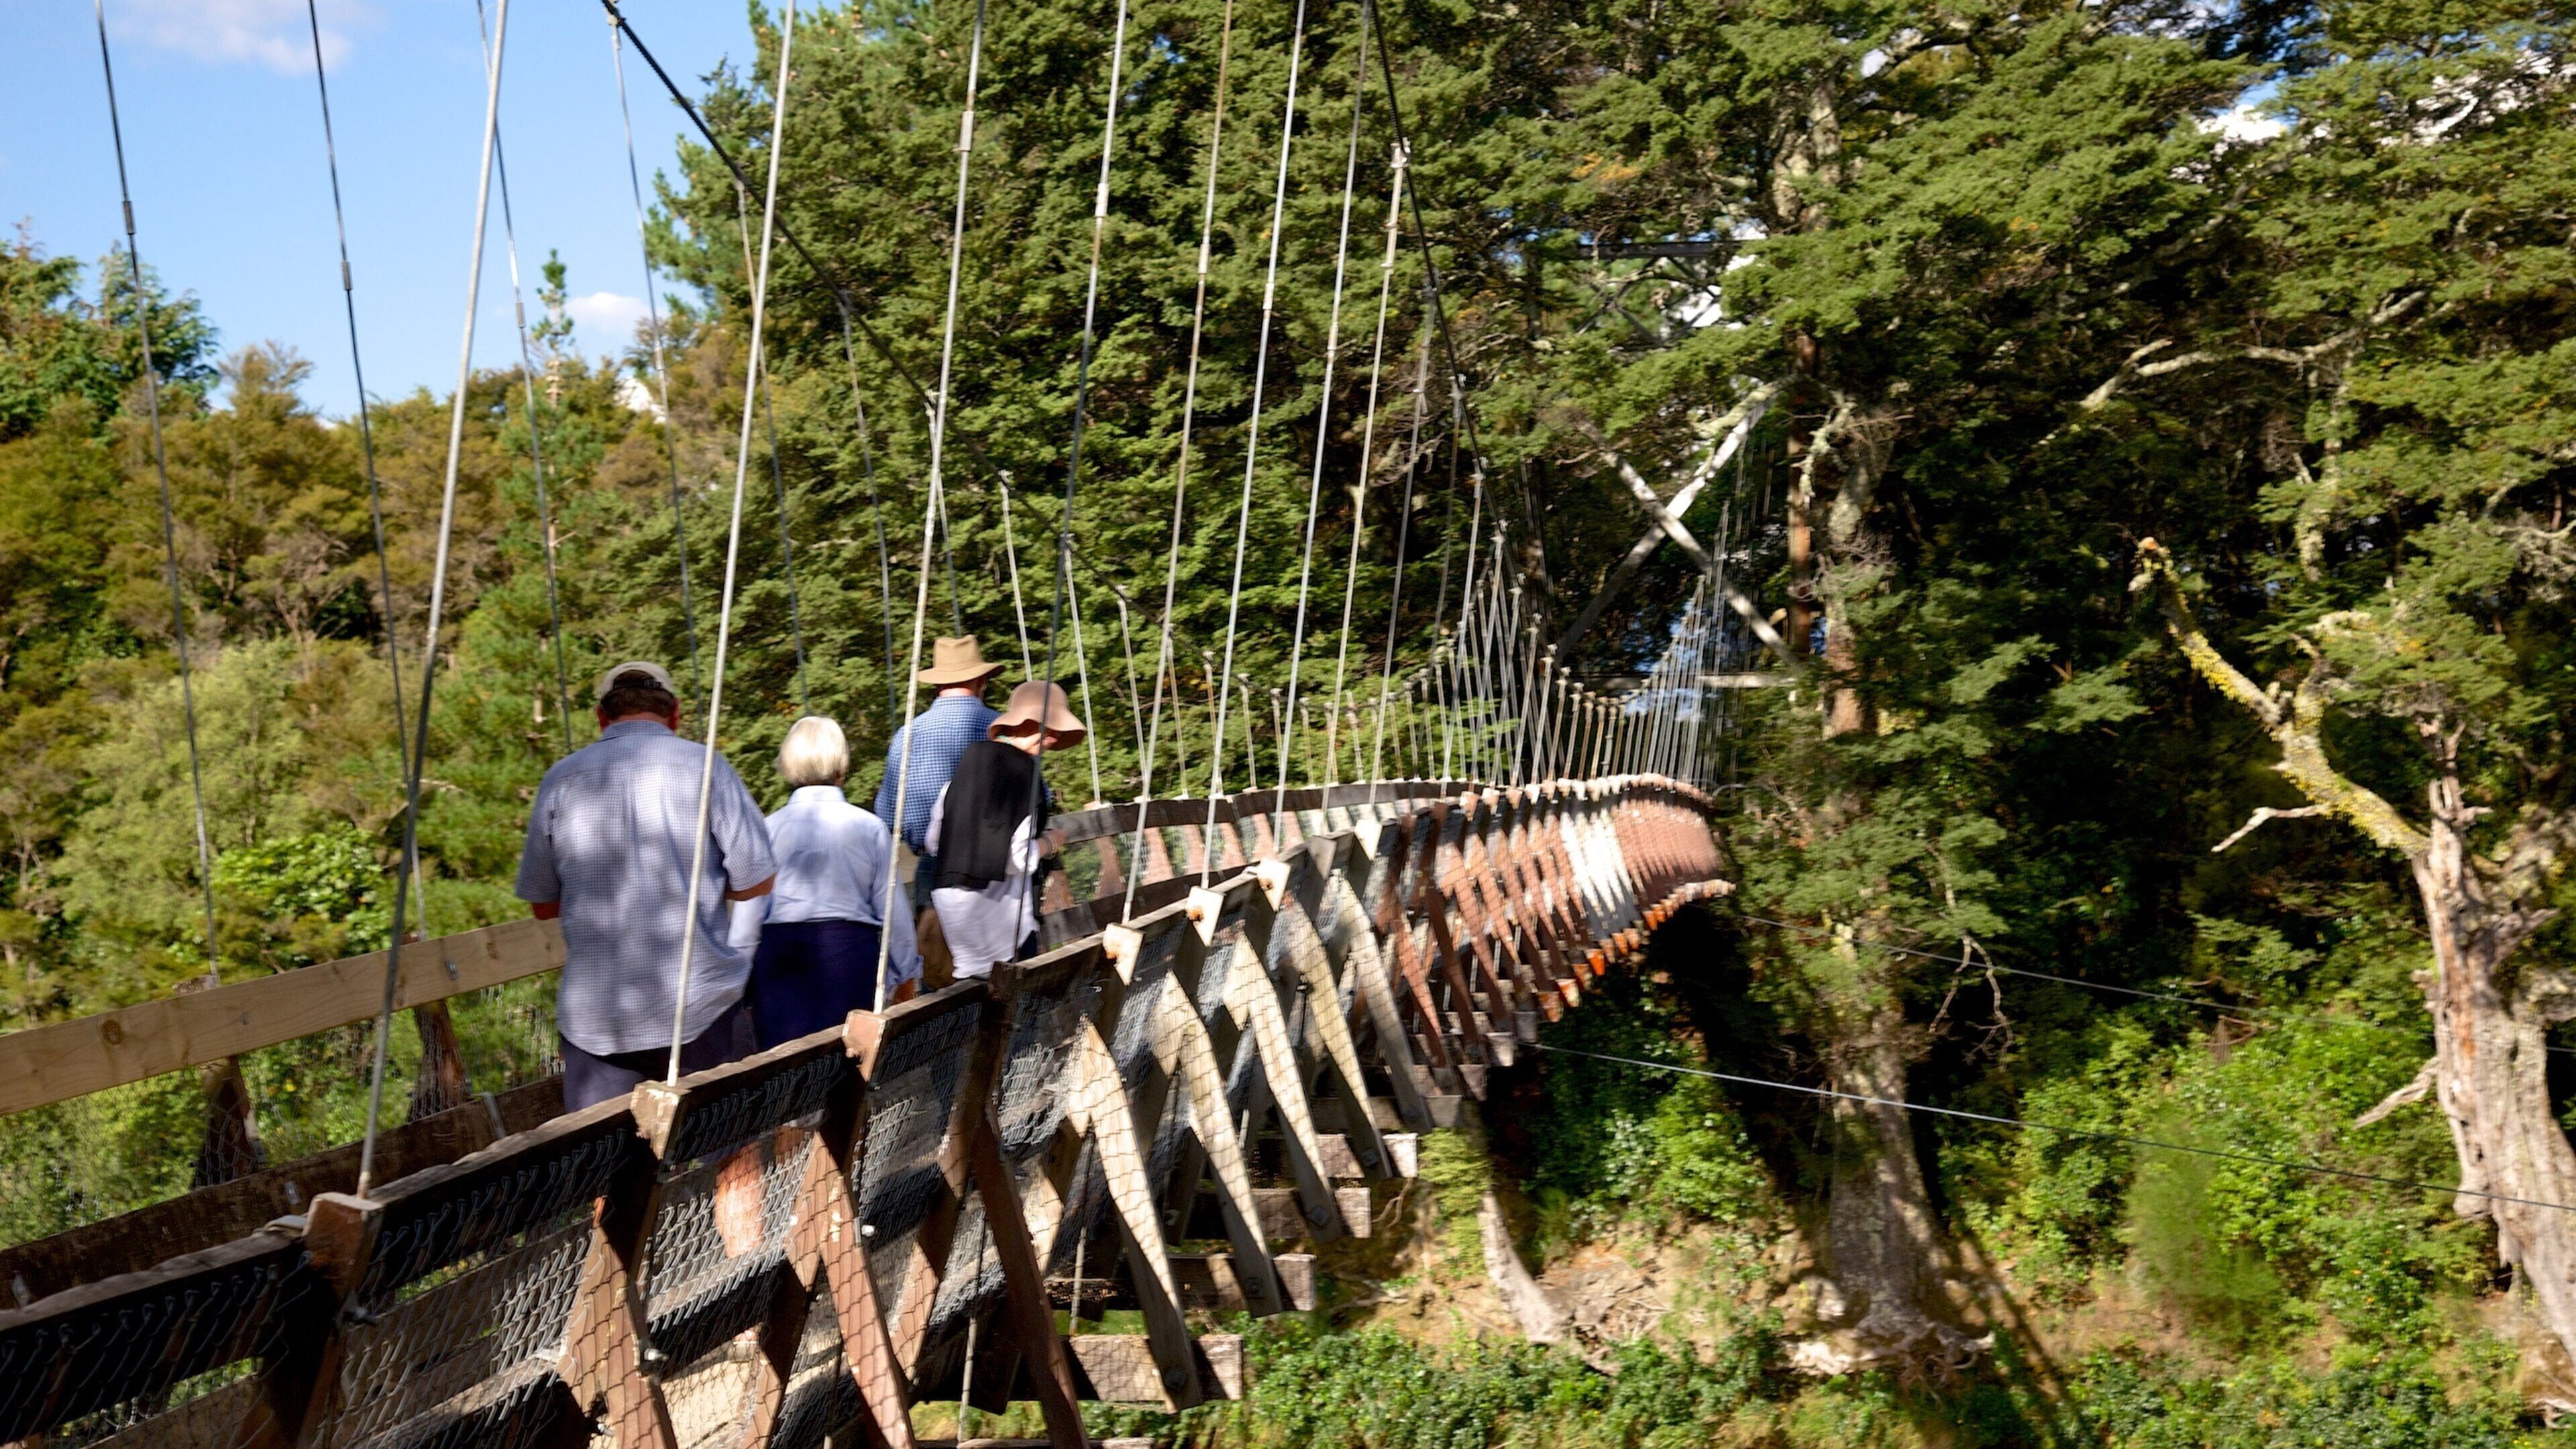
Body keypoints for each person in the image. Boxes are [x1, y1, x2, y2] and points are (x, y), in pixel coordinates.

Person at [517, 661, 776, 1112]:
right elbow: (758, 880)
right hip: (701, 1004)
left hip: (596, 1019)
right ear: (674, 713)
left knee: (598, 1166)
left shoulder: (560, 779)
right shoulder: (707, 766)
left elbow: (542, 905)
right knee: (735, 1150)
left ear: (602, 717)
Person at [730, 716, 922, 1049]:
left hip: (780, 962)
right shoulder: (869, 828)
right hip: (849, 957)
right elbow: (894, 913)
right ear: (840, 763)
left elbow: (747, 923)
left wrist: (736, 985)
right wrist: (906, 974)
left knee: (782, 1067)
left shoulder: (767, 829)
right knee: (847, 1064)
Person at [926, 680, 1085, 979]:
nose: (1054, 739)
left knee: (968, 996)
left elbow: (934, 843)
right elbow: (1017, 859)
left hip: (954, 911)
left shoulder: (961, 776)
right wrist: (1051, 842)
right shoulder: (1024, 775)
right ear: (1036, 727)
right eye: (1052, 730)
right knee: (1015, 1005)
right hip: (1000, 916)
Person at [873, 637, 1004, 914]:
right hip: (998, 869)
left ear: (936, 685)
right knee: (1006, 957)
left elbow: (886, 816)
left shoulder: (907, 736)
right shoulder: (1000, 729)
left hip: (934, 868)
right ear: (982, 682)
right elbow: (1037, 798)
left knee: (935, 955)